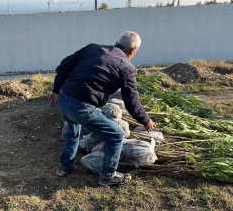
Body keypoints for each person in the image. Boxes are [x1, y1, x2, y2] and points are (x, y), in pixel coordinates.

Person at [49, 31, 157, 186]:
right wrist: (145, 120)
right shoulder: (127, 68)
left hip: (63, 99)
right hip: (80, 106)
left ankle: (64, 167)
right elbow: (131, 101)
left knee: (73, 131)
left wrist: (55, 90)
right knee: (117, 134)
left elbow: (64, 65)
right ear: (133, 50)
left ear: (116, 42)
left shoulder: (92, 48)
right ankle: (108, 175)